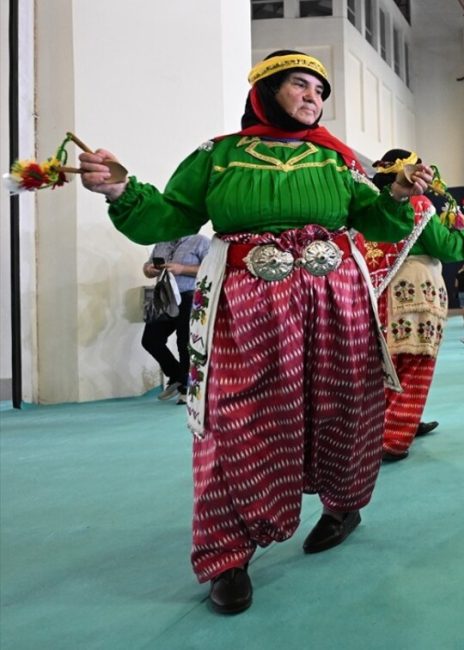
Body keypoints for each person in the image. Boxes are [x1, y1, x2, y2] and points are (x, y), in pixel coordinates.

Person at [78, 50, 432, 615]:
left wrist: (394, 195)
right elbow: (168, 217)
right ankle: (227, 554)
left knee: (347, 402)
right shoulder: (217, 156)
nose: (314, 96)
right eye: (300, 84)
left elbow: (377, 221)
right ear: (265, 91)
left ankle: (343, 505)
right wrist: (121, 190)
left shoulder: (336, 161)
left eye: (320, 89)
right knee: (237, 417)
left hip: (336, 297)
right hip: (246, 304)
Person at [371, 150, 464, 463]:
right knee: (415, 363)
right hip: (414, 288)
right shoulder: (418, 204)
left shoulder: (371, 205)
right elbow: (447, 247)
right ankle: (393, 437)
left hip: (379, 290)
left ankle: (389, 425)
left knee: (387, 366)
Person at [142, 235, 210, 402]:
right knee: (151, 340)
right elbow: (146, 268)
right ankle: (177, 376)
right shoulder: (161, 241)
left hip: (189, 296)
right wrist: (150, 269)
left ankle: (186, 389)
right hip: (165, 297)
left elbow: (212, 269)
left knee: (184, 342)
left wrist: (182, 269)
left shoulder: (201, 242)